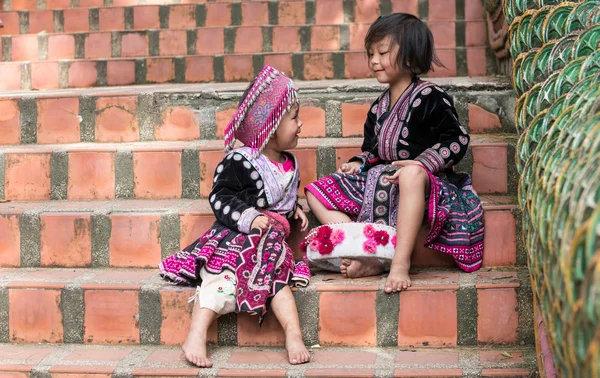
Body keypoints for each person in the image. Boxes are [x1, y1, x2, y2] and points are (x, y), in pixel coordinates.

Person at [305, 13, 485, 294]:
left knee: (411, 174)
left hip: (423, 186)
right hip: (381, 183)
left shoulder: (430, 97)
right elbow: (373, 151)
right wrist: (357, 163)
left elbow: (457, 139)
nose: (373, 60)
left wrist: (422, 163)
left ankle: (400, 262)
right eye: (370, 54)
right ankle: (367, 247)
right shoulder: (378, 108)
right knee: (316, 192)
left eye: (382, 52)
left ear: (411, 57)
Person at [159, 66, 311, 367]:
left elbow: (280, 197)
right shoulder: (241, 161)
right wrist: (249, 217)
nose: (300, 123)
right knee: (220, 281)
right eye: (294, 117)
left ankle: (293, 334)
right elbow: (221, 197)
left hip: (269, 247)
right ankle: (196, 334)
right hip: (237, 240)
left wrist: (293, 209)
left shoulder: (288, 164)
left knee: (277, 283)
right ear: (270, 124)